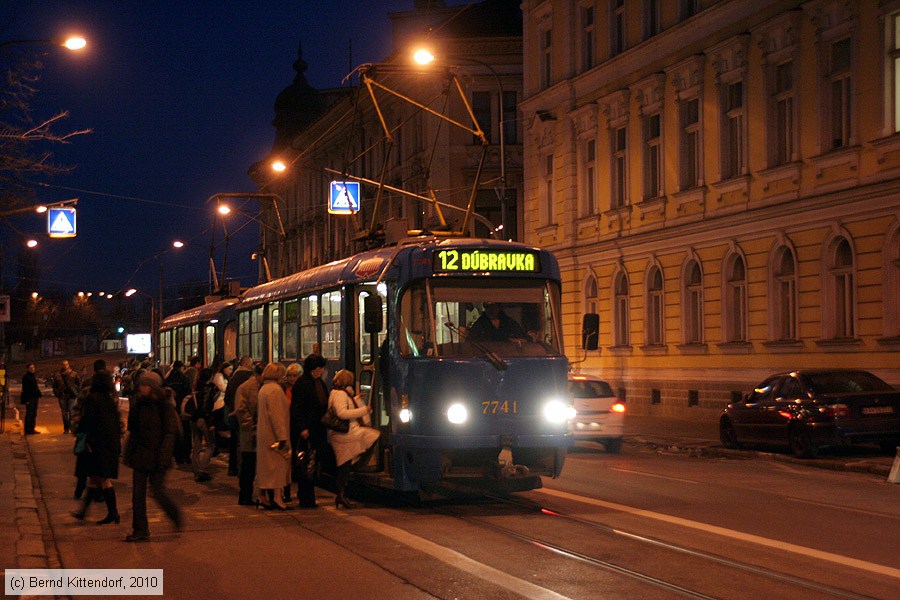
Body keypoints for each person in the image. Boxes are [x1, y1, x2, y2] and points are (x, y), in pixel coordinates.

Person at [122, 371, 182, 542]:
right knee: (137, 495)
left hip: (157, 456)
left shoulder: (165, 405)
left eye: (147, 385)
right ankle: (140, 529)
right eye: (141, 385)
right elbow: (133, 430)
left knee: (157, 491)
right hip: (140, 455)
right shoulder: (139, 404)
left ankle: (175, 514)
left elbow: (170, 433)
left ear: (154, 387)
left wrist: (165, 457)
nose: (143, 388)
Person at [71, 371, 122, 524]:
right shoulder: (110, 400)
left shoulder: (92, 399)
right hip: (109, 444)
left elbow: (87, 422)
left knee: (103, 479)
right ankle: (82, 512)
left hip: (96, 445)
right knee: (94, 479)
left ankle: (113, 513)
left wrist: (80, 433)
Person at [327, 369, 379, 509]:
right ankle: (342, 493)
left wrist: (355, 399)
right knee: (372, 436)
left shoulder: (338, 393)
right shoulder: (340, 395)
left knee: (344, 465)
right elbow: (342, 413)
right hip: (346, 434)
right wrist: (364, 410)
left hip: (343, 434)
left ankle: (341, 495)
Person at [290, 354, 328, 508]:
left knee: (313, 463)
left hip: (318, 428)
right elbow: (297, 408)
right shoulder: (303, 383)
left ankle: (308, 496)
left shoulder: (318, 382)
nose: (322, 370)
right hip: (308, 429)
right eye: (320, 368)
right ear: (314, 368)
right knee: (306, 464)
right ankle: (306, 497)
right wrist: (302, 428)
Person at [255, 362, 292, 510]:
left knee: (265, 468)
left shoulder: (264, 388)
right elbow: (277, 417)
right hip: (274, 436)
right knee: (277, 467)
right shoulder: (275, 390)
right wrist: (282, 437)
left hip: (264, 434)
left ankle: (261, 496)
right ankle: (278, 498)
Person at [235, 362, 264, 506]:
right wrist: (251, 426)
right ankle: (245, 495)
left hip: (255, 432)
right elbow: (241, 410)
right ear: (257, 375)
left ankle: (247, 495)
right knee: (248, 465)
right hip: (249, 434)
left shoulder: (256, 387)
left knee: (250, 465)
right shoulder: (246, 388)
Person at [223, 356, 254, 476]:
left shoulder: (233, 378)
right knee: (244, 443)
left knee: (234, 442)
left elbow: (227, 399)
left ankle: (232, 468)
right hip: (245, 415)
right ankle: (243, 469)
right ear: (248, 364)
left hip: (233, 415)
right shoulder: (250, 378)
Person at [190, 368, 216, 482]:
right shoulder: (209, 389)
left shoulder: (195, 387)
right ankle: (202, 470)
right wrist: (210, 422)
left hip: (194, 419)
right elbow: (207, 407)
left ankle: (196, 470)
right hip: (204, 419)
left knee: (196, 445)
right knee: (211, 444)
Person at [164, 360, 193, 465]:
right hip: (182, 409)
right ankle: (186, 455)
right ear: (181, 368)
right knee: (185, 432)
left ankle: (177, 455)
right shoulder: (184, 379)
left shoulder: (167, 379)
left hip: (171, 410)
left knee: (175, 432)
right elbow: (188, 393)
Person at [52, 360, 81, 434]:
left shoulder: (74, 374)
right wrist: (57, 393)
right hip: (62, 396)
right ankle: (66, 428)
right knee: (64, 413)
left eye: (66, 364)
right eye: (64, 364)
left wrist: (76, 392)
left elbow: (79, 383)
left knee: (71, 412)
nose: (65, 366)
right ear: (61, 365)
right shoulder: (57, 375)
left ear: (68, 365)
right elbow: (54, 385)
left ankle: (72, 427)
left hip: (71, 395)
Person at [21, 363, 42, 435]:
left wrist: (38, 394)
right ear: (28, 369)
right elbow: (25, 389)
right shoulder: (26, 377)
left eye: (33, 367)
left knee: (34, 414)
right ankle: (27, 430)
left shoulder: (33, 376)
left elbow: (35, 387)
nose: (33, 369)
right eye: (31, 368)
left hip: (35, 397)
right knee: (29, 414)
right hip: (30, 398)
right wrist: (26, 400)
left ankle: (32, 429)